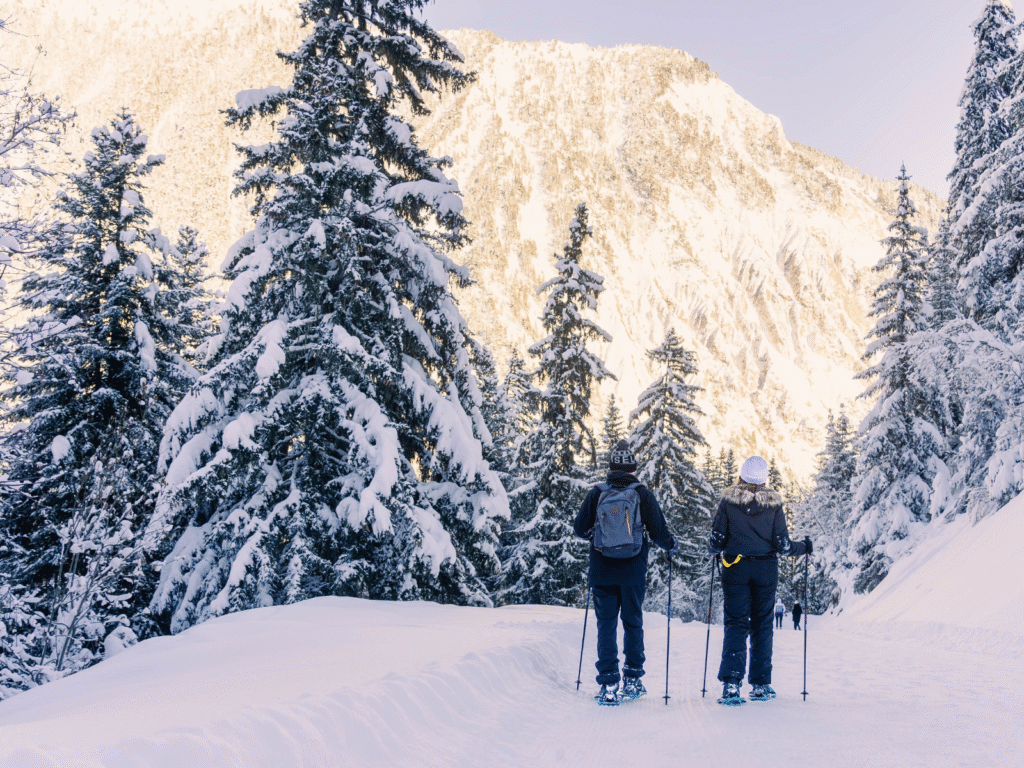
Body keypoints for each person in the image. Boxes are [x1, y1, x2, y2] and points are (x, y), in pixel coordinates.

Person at [574, 439, 675, 705]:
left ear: (611, 467)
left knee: (606, 625)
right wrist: (671, 544)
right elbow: (659, 532)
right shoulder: (642, 494)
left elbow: (579, 528)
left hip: (602, 569)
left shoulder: (597, 493)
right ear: (632, 468)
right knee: (633, 623)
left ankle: (608, 684)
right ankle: (632, 679)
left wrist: (595, 535)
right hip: (633, 569)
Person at [707, 455, 811, 705]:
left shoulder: (729, 501)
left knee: (736, 623)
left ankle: (731, 684)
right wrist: (804, 547)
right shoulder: (773, 505)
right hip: (765, 569)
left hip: (735, 567)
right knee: (763, 624)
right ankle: (761, 684)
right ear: (764, 479)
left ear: (741, 475)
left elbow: (716, 540)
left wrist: (714, 550)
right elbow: (783, 545)